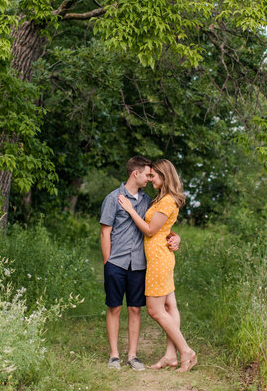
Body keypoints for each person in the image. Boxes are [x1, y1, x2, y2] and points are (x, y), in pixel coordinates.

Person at [100, 156, 181, 371]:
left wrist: (175, 236)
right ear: (135, 173)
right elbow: (105, 232)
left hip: (139, 264)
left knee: (135, 309)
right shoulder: (113, 198)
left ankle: (133, 356)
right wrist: (108, 262)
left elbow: (157, 226)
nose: (149, 178)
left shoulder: (147, 201)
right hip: (116, 263)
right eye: (147, 174)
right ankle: (114, 356)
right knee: (114, 308)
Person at [117, 158, 197, 372]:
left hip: (159, 260)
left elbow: (151, 230)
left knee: (154, 310)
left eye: (154, 176)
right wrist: (175, 235)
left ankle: (186, 351)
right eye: (150, 175)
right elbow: (163, 228)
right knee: (170, 307)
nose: (150, 178)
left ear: (164, 176)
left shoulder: (168, 200)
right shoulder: (161, 199)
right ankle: (171, 356)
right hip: (159, 257)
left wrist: (130, 210)